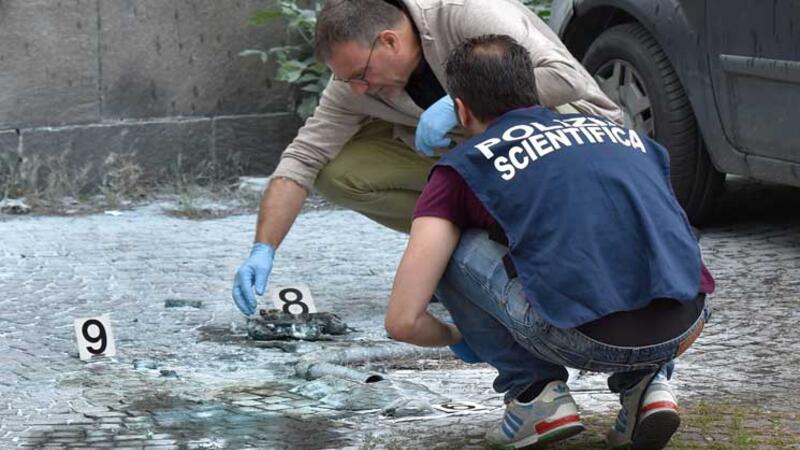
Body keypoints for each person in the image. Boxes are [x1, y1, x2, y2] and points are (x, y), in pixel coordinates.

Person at [383, 34, 714, 449]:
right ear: (534, 90)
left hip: (583, 338)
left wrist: (460, 334)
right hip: (686, 321)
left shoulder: (466, 167)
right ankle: (647, 385)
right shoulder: (626, 136)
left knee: (448, 247)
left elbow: (402, 320)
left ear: (461, 110)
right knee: (627, 224)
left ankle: (534, 394)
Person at [231, 0, 622, 317]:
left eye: (361, 75)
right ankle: (468, 254)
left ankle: (570, 246)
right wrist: (263, 249)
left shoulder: (468, 13)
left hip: (561, 133)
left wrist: (465, 101)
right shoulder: (355, 84)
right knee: (336, 172)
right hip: (476, 157)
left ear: (389, 41)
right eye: (349, 80)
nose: (359, 89)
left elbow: (568, 78)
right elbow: (303, 158)